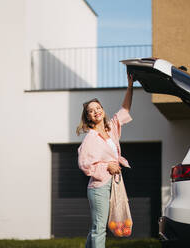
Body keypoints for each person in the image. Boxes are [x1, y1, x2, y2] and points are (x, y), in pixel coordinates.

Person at [77, 73, 135, 248]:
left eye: (98, 108)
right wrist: (107, 166)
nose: (96, 111)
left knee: (97, 227)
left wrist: (130, 86)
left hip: (114, 184)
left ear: (102, 110)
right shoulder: (90, 138)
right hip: (99, 187)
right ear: (88, 117)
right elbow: (85, 165)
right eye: (91, 111)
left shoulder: (111, 129)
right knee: (99, 228)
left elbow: (125, 110)